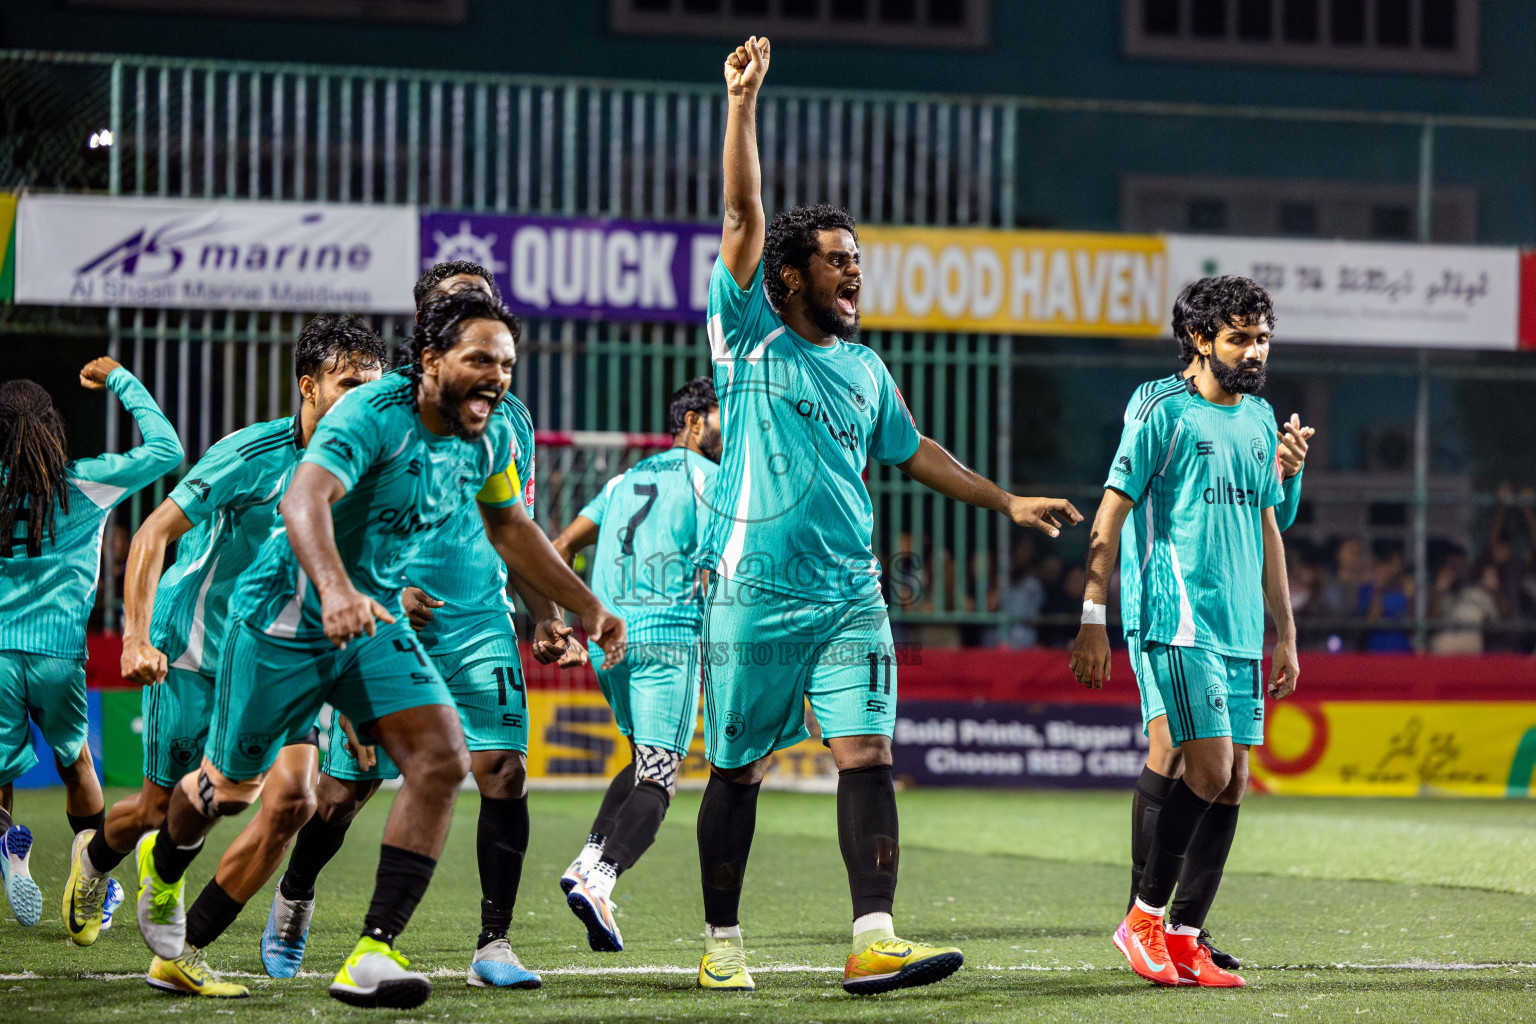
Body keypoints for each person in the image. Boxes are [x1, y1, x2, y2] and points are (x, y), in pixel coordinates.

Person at [695, 35, 1081, 996]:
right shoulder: (745, 331)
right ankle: (721, 946)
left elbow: (914, 454)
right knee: (736, 770)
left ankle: (873, 937)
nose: (854, 274)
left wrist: (1005, 499)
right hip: (751, 594)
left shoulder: (867, 369)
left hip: (849, 598)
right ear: (788, 278)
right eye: (836, 262)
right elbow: (743, 209)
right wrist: (742, 105)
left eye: (857, 260)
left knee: (866, 753)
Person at [132, 288, 624, 1010]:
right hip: (282, 620)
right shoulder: (371, 414)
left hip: (370, 624)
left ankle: (373, 950)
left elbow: (512, 529)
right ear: (429, 361)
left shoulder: (482, 436)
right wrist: (333, 590)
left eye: (509, 363)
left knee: (442, 758)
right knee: (230, 793)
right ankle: (165, 866)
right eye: (480, 359)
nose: (498, 376)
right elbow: (303, 500)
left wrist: (589, 607)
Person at [262, 262, 571, 992]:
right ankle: (296, 893)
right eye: (453, 305)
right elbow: (339, 507)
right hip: (379, 615)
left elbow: (513, 528)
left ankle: (494, 943)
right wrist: (374, 587)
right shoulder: (378, 408)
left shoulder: (509, 420)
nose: (471, 314)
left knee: (504, 771)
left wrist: (550, 614)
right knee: (343, 793)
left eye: (480, 303)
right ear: (428, 333)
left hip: (477, 620)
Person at [60, 316, 385, 997]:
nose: (362, 400)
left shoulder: (368, 467)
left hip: (282, 657)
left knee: (294, 800)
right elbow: (151, 535)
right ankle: (94, 861)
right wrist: (138, 637)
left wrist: (356, 704)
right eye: (349, 384)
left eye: (373, 387)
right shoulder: (251, 454)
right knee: (158, 810)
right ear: (309, 386)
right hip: (197, 648)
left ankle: (186, 943)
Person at [1070, 275, 1300, 989]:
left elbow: (1269, 525)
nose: (1255, 351)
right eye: (1239, 338)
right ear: (1200, 339)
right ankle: (1142, 918)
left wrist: (1286, 634)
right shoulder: (1159, 409)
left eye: (1262, 337)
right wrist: (1092, 615)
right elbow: (1110, 513)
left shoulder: (1260, 419)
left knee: (1233, 781)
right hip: (1173, 618)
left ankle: (1185, 933)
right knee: (1199, 765)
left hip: (1237, 628)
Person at [0, 358, 183, 928]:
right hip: (59, 655)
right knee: (77, 762)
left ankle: (9, 843)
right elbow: (168, 450)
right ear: (51, 427)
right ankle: (92, 875)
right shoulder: (85, 481)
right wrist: (121, 381)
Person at [551, 375, 723, 952]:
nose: (732, 429)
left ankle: (587, 861)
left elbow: (558, 548)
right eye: (722, 415)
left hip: (609, 644)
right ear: (694, 421)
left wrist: (561, 619)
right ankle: (602, 883)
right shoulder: (712, 480)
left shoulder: (624, 479)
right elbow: (720, 569)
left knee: (641, 758)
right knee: (661, 777)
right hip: (666, 640)